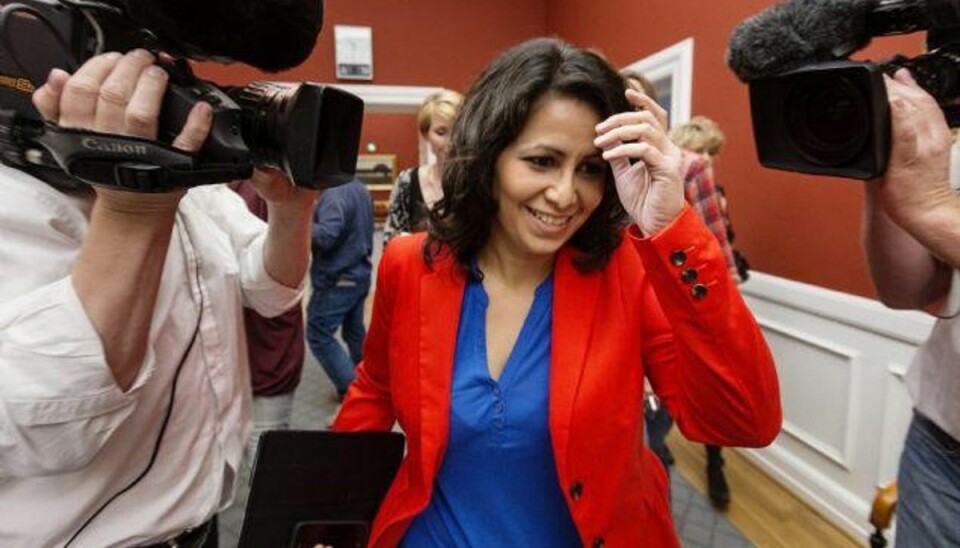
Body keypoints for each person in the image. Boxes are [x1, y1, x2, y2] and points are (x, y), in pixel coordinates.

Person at [333, 38, 782, 547]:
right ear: (489, 158)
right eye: (543, 161)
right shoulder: (410, 265)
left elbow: (745, 420)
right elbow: (375, 389)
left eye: (590, 168)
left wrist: (672, 227)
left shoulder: (627, 273)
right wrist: (323, 504)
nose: (567, 194)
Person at [0, 50, 314, 547]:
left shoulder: (198, 191)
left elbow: (269, 290)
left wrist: (292, 210)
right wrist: (130, 206)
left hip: (200, 528)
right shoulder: (14, 195)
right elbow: (40, 430)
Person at [862, 68, 960, 547]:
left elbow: (937, 214)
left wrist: (936, 211)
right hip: (942, 444)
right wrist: (880, 176)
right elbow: (905, 290)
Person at [226, 180, 306, 516]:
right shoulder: (211, 191)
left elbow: (275, 284)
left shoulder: (259, 188)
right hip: (235, 354)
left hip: (268, 351)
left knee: (263, 466)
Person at [307, 178, 375, 399]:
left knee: (318, 333)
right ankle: (372, 383)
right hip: (359, 274)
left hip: (338, 279)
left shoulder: (333, 194)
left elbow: (326, 236)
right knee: (354, 332)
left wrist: (295, 223)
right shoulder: (358, 187)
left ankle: (354, 392)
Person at [381, 89, 463, 246]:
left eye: (458, 130)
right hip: (418, 269)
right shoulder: (407, 182)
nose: (452, 142)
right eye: (441, 132)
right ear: (426, 135)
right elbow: (390, 244)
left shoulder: (479, 181)